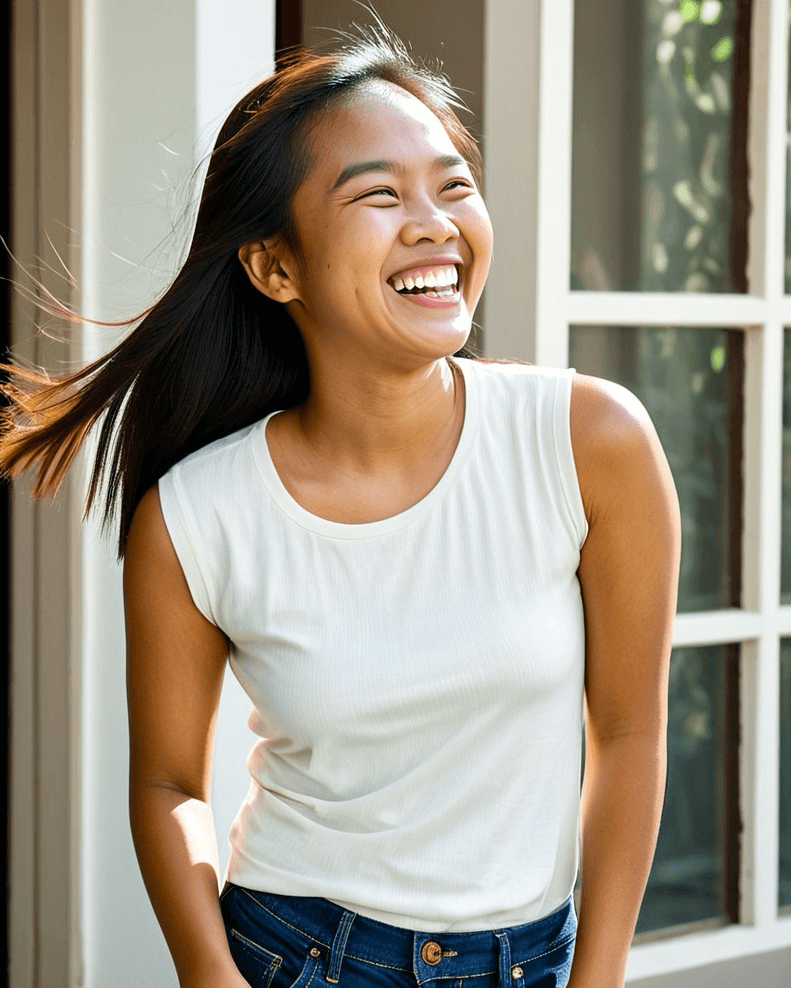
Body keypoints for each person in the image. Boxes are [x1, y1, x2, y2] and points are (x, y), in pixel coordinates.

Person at [0, 21, 680, 988]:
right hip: (297, 956)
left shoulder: (591, 443)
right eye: (378, 195)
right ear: (275, 267)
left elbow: (628, 735)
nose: (436, 221)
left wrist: (597, 979)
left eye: (452, 185)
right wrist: (210, 975)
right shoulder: (195, 516)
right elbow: (166, 788)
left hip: (532, 961)